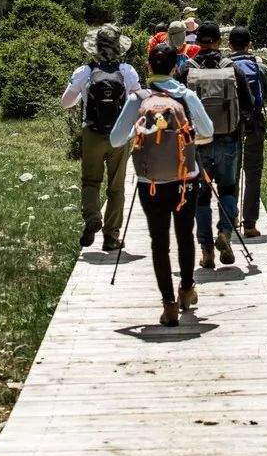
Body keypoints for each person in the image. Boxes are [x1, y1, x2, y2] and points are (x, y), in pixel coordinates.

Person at [110, 44, 214, 327]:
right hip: (185, 179)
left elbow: (116, 140)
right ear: (174, 68)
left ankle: (168, 306)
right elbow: (208, 131)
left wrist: (140, 131)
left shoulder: (138, 99)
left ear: (148, 68)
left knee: (159, 242)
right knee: (184, 234)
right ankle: (187, 289)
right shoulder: (186, 95)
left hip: (149, 181)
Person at [61, 24, 140, 251]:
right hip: (120, 134)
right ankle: (111, 237)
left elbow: (66, 102)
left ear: (94, 47)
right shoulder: (128, 72)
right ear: (118, 47)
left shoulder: (83, 72)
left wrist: (81, 97)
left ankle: (92, 217)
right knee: (116, 186)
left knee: (90, 181)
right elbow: (136, 102)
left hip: (92, 133)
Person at [181, 21, 254, 269]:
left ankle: (206, 252)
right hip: (229, 141)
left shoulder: (187, 69)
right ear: (219, 42)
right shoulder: (231, 68)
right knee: (228, 190)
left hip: (198, 145)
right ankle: (225, 233)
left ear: (197, 41)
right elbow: (248, 103)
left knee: (201, 198)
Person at [227, 25, 267, 237]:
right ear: (250, 45)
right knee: (253, 173)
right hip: (255, 123)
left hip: (231, 126)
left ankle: (230, 217)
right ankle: (250, 224)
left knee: (232, 173)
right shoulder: (260, 67)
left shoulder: (225, 67)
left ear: (229, 45)